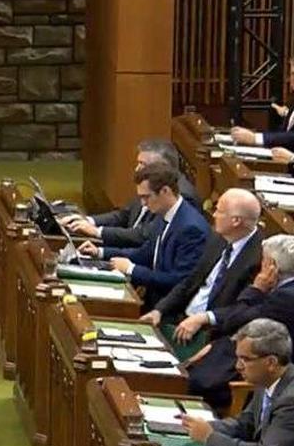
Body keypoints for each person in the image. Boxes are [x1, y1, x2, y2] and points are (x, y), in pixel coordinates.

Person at [138, 188, 262, 356]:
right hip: (179, 319)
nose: (214, 215)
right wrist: (160, 310)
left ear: (235, 221)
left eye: (219, 211)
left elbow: (243, 309)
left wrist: (205, 318)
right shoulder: (217, 238)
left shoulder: (258, 258)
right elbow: (191, 281)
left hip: (210, 335)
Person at [79, 162, 209, 311]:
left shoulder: (191, 228)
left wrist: (132, 269)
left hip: (167, 308)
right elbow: (146, 253)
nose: (144, 204)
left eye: (147, 197)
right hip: (151, 297)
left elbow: (177, 281)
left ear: (165, 191)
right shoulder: (164, 213)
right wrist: (100, 252)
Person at [186, 235, 294, 409]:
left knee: (194, 379)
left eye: (263, 260)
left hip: (258, 373)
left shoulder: (284, 297)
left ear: (272, 266)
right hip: (255, 359)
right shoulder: (284, 290)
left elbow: (235, 321)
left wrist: (256, 288)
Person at [181, 319, 294, 446]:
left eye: (245, 359)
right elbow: (244, 424)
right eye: (238, 357)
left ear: (271, 362)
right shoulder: (265, 380)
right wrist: (200, 426)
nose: (238, 366)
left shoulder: (290, 400)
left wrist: (210, 437)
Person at [62, 138, 201, 246]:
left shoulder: (181, 195)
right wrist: (89, 221)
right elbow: (124, 215)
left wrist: (98, 232)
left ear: (162, 167)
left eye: (142, 164)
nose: (137, 169)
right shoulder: (150, 183)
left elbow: (145, 235)